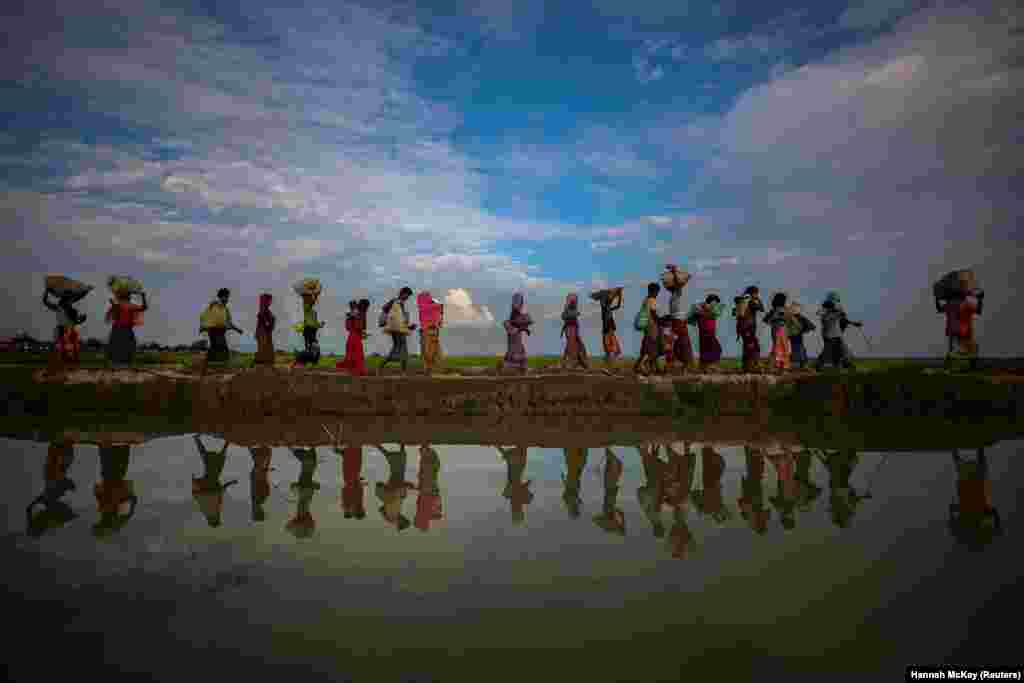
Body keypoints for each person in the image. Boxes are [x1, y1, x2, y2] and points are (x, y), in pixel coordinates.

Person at [949, 448, 1001, 551]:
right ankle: (972, 448)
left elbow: (993, 514)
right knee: (967, 467)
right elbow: (953, 519)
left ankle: (972, 448)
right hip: (972, 488)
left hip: (970, 488)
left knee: (967, 468)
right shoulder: (975, 519)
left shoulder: (970, 522)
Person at [26, 438, 79, 537]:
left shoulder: (49, 518)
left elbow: (32, 509)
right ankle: (62, 441)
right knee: (59, 462)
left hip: (54, 484)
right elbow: (30, 509)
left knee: (59, 461)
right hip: (53, 485)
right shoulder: (49, 517)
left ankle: (62, 441)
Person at [93, 441, 139, 537]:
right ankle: (115, 444)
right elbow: (131, 498)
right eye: (99, 525)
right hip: (114, 480)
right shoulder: (119, 516)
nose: (99, 522)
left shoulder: (115, 516)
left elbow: (131, 498)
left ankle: (113, 444)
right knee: (113, 463)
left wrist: (99, 492)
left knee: (111, 463)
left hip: (112, 480)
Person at [191, 435, 238, 528]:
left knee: (216, 459)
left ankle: (227, 442)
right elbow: (199, 495)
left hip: (212, 478)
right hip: (210, 479)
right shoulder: (207, 510)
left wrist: (230, 483)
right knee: (209, 458)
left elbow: (218, 492)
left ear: (215, 519)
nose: (219, 518)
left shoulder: (212, 510)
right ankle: (226, 442)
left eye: (218, 520)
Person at [42, 286, 90, 371]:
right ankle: (61, 366)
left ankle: (73, 366)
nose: (71, 302)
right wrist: (47, 291)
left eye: (70, 300)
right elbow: (45, 301)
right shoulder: (60, 307)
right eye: (69, 300)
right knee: (62, 349)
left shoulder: (72, 310)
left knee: (74, 349)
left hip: (71, 330)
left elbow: (75, 322)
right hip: (62, 330)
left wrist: (81, 320)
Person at [939, 289, 984, 371]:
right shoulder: (966, 304)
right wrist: (980, 299)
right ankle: (970, 367)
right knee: (971, 350)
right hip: (964, 331)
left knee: (953, 350)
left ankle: (949, 367)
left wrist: (937, 299)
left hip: (954, 331)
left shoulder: (950, 304)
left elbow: (939, 309)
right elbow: (979, 311)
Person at [814, 293, 862, 371]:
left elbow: (843, 319)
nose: (836, 303)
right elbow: (824, 317)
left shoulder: (838, 309)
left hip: (837, 334)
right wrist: (834, 312)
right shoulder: (824, 309)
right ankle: (819, 365)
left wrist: (854, 323)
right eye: (835, 301)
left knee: (842, 349)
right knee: (828, 350)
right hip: (829, 334)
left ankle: (845, 363)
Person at [819, 449, 865, 529]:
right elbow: (851, 498)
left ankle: (831, 455)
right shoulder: (845, 509)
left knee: (839, 469)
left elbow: (848, 498)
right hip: (839, 481)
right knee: (840, 468)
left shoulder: (840, 509)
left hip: (839, 483)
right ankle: (832, 455)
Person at [375, 443, 416, 531]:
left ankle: (401, 445)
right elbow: (381, 509)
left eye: (404, 519)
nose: (404, 517)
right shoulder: (392, 517)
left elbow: (393, 498)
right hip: (391, 489)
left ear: (401, 522)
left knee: (398, 468)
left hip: (394, 487)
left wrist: (405, 488)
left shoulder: (393, 516)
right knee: (397, 468)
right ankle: (400, 446)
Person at [663, 267, 695, 375]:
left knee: (676, 345)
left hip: (677, 322)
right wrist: (674, 271)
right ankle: (678, 369)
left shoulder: (677, 293)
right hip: (677, 323)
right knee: (680, 345)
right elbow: (679, 283)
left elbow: (679, 283)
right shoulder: (675, 295)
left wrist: (674, 271)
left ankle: (678, 369)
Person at [105, 287, 147, 366]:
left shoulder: (123, 305)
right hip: (123, 328)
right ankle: (121, 362)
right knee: (125, 345)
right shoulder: (128, 305)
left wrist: (113, 303)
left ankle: (120, 362)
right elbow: (144, 307)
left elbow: (143, 308)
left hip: (121, 328)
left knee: (120, 346)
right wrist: (143, 296)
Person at [201, 288, 244, 364]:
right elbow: (204, 316)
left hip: (221, 331)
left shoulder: (226, 309)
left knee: (220, 348)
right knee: (219, 347)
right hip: (213, 330)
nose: (227, 299)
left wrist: (237, 329)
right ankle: (209, 364)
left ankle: (211, 363)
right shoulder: (212, 305)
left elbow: (229, 322)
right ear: (220, 297)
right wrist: (203, 326)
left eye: (227, 297)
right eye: (225, 297)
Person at [379, 287, 416, 374]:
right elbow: (384, 309)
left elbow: (401, 320)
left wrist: (409, 327)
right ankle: (402, 370)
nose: (407, 297)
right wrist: (387, 321)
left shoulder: (401, 304)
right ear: (402, 293)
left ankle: (383, 366)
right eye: (407, 295)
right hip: (396, 330)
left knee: (399, 349)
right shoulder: (395, 301)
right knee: (402, 349)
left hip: (400, 329)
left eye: (408, 296)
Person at [286, 447, 321, 539]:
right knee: (309, 465)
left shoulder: (302, 512)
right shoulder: (303, 512)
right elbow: (303, 499)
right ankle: (295, 448)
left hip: (305, 487)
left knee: (309, 465)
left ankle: (294, 448)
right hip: (305, 487)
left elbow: (303, 499)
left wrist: (310, 487)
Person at [692, 444, 730, 524]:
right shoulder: (717, 506)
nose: (724, 511)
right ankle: (706, 446)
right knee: (718, 463)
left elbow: (696, 497)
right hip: (711, 481)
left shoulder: (708, 509)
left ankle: (706, 446)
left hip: (708, 481)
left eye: (722, 514)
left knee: (716, 463)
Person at [495, 445, 533, 525]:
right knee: (519, 453)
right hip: (515, 463)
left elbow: (518, 488)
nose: (520, 511)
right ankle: (500, 446)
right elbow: (519, 488)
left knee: (519, 454)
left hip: (515, 463)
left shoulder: (517, 497)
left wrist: (526, 485)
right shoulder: (512, 495)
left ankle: (500, 446)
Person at [738, 446, 770, 535]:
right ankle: (750, 448)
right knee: (753, 467)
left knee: (755, 468)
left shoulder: (751, 517)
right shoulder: (749, 517)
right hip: (752, 489)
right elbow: (741, 502)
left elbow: (767, 512)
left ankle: (751, 447)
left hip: (753, 489)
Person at [637, 443, 667, 537]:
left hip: (654, 485)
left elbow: (657, 502)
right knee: (649, 462)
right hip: (651, 485)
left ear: (660, 527)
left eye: (662, 529)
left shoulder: (655, 518)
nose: (663, 526)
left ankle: (641, 445)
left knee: (648, 461)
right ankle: (653, 445)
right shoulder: (651, 518)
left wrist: (662, 494)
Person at [633, 282, 663, 376]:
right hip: (652, 326)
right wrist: (662, 320)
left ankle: (653, 368)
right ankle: (642, 366)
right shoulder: (651, 300)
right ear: (653, 291)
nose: (657, 293)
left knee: (649, 347)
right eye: (656, 291)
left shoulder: (646, 300)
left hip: (649, 326)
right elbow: (654, 314)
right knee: (651, 347)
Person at [590, 287, 623, 374]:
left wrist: (619, 295)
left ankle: (611, 367)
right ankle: (608, 367)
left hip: (609, 327)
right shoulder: (605, 306)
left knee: (614, 350)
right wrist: (618, 294)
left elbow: (618, 306)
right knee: (610, 349)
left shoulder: (607, 307)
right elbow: (610, 301)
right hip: (608, 327)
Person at [593, 448, 625, 535]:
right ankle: (607, 450)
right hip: (611, 493)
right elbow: (621, 513)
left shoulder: (610, 526)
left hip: (610, 493)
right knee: (615, 468)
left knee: (615, 467)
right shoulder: (611, 525)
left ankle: (607, 449)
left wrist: (610, 519)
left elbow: (595, 519)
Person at [689, 293, 724, 372]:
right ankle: (709, 367)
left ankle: (705, 367)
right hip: (707, 333)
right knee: (715, 349)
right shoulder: (704, 310)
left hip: (706, 332)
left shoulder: (702, 309)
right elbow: (713, 313)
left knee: (707, 350)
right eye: (715, 302)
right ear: (712, 301)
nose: (716, 304)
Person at [293, 288, 325, 368]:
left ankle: (301, 359)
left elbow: (314, 323)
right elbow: (312, 302)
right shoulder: (306, 306)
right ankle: (300, 358)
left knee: (313, 348)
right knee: (313, 347)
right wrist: (316, 295)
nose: (310, 298)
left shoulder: (313, 311)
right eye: (308, 297)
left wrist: (320, 325)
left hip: (313, 331)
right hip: (308, 331)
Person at [414, 444, 443, 531]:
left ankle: (425, 449)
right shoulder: (429, 514)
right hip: (429, 490)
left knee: (426, 471)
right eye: (417, 519)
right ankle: (426, 450)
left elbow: (421, 500)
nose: (415, 517)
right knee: (428, 470)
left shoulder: (426, 513)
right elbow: (433, 501)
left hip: (427, 489)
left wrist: (418, 488)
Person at [768, 448, 798, 530]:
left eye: (791, 517)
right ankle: (786, 451)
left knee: (786, 466)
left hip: (786, 482)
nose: (792, 516)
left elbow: (772, 500)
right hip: (785, 482)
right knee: (784, 466)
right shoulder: (784, 508)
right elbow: (772, 500)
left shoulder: (788, 507)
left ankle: (787, 451)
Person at [503, 292, 533, 375]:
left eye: (519, 302)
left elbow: (528, 320)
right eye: (515, 302)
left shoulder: (522, 317)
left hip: (517, 349)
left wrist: (522, 327)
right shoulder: (510, 322)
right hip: (513, 351)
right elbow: (511, 328)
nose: (518, 305)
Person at [763, 293, 792, 372]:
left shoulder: (774, 310)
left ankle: (776, 365)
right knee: (781, 347)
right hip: (781, 329)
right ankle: (780, 365)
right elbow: (787, 318)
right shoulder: (783, 309)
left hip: (776, 329)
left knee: (778, 346)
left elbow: (765, 320)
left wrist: (773, 322)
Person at [416, 291, 445, 374]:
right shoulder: (434, 307)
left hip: (426, 331)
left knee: (428, 351)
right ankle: (433, 369)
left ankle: (430, 369)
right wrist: (440, 319)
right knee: (432, 351)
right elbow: (440, 307)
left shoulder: (423, 308)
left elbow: (440, 310)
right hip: (431, 330)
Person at [560, 293, 589, 371]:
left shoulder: (572, 310)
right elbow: (564, 316)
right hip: (569, 329)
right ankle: (570, 363)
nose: (574, 301)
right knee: (571, 345)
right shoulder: (567, 310)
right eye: (572, 300)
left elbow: (572, 317)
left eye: (575, 300)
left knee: (577, 345)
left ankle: (574, 362)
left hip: (573, 329)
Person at [561, 447, 588, 519]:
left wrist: (576, 499)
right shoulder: (571, 501)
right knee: (581, 459)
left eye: (575, 510)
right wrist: (577, 499)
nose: (577, 509)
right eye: (576, 510)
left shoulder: (569, 501)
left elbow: (566, 494)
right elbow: (568, 493)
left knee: (577, 459)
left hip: (574, 474)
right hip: (575, 474)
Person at [787, 303, 815, 370]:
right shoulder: (798, 317)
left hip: (794, 336)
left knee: (797, 349)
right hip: (796, 335)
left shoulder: (791, 317)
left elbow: (810, 325)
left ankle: (802, 364)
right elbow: (810, 325)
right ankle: (803, 364)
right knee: (799, 349)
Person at [249, 446, 272, 522]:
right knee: (261, 459)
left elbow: (264, 486)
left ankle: (251, 446)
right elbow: (265, 486)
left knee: (261, 460)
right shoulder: (259, 500)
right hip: (259, 475)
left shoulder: (258, 500)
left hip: (258, 475)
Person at [253, 293, 276, 366]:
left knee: (266, 350)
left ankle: (265, 364)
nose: (270, 302)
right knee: (263, 350)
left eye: (270, 301)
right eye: (269, 300)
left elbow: (269, 322)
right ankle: (261, 365)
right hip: (263, 333)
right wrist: (269, 323)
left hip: (266, 333)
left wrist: (271, 322)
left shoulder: (267, 311)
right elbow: (265, 322)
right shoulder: (263, 311)